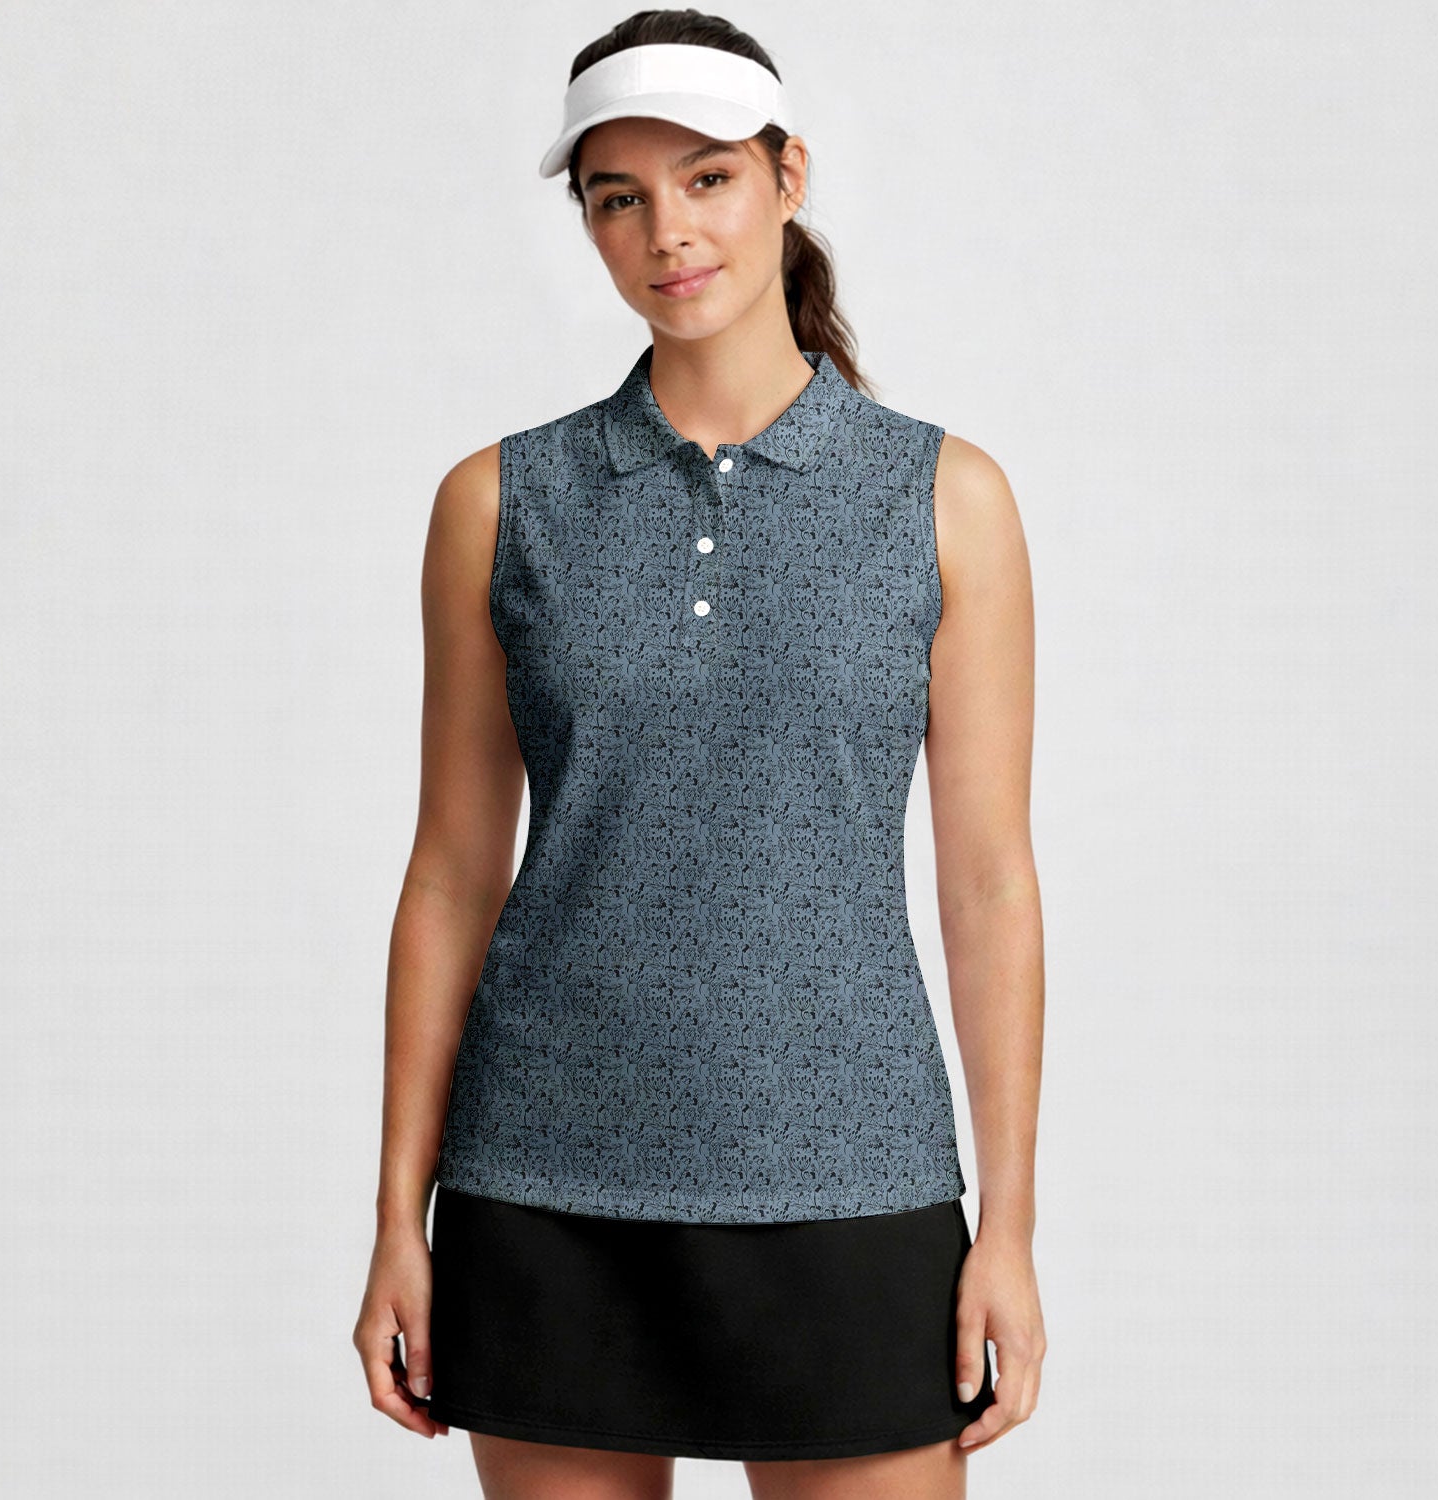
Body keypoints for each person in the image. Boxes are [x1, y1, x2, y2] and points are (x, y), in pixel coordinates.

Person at [353, 10, 1046, 1496]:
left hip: (853, 1174)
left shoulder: (944, 498)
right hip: (543, 1181)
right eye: (619, 196)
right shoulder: (502, 503)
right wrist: (398, 1220)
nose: (666, 230)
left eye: (709, 177)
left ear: (788, 177)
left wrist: (1011, 1230)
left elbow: (989, 884)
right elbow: (451, 874)